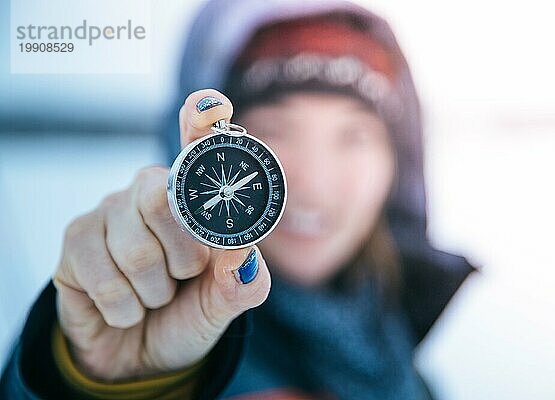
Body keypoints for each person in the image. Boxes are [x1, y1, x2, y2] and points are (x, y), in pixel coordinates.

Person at [0, 0, 477, 399]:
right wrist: (88, 378)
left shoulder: (398, 353)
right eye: (274, 131)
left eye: (353, 135)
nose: (312, 182)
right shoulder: (163, 340)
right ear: (207, 155)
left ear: (398, 163)